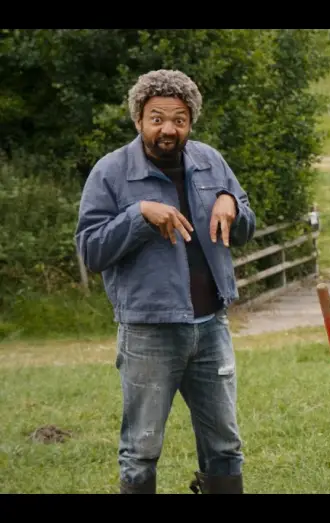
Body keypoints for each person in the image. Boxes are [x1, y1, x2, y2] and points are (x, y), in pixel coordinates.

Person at [75, 69, 256, 494]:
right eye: (157, 118)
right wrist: (138, 215)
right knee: (141, 450)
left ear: (191, 121)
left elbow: (244, 225)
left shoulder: (211, 161)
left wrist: (232, 202)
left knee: (225, 446)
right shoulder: (111, 172)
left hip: (211, 327)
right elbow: (90, 250)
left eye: (178, 119)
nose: (168, 129)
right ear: (138, 119)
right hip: (148, 331)